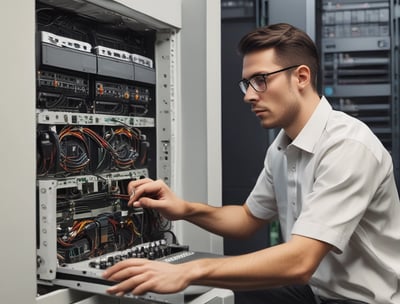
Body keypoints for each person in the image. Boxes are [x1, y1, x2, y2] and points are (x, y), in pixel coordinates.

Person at [102, 23, 400, 303]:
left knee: (206, 281)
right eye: (247, 83)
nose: (249, 97)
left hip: (360, 300)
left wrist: (189, 271)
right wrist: (184, 209)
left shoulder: (346, 146)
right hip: (316, 293)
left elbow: (300, 261)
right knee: (211, 295)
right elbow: (247, 219)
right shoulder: (282, 147)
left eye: (261, 80)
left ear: (301, 77)